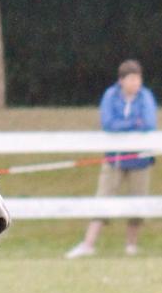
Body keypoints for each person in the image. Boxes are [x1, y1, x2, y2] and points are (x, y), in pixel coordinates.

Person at [66, 59, 157, 258]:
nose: (136, 83)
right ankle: (88, 244)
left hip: (140, 159)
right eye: (131, 79)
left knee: (138, 201)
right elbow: (108, 123)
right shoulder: (111, 95)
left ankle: (131, 246)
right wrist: (133, 123)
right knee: (103, 198)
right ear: (122, 80)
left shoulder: (146, 97)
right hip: (114, 158)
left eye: (138, 79)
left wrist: (124, 124)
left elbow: (149, 123)